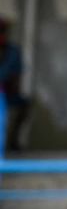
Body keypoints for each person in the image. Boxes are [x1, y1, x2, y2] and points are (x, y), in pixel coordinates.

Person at [0, 17, 29, 152]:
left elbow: (16, 77)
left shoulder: (13, 51)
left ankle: (13, 142)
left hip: (6, 92)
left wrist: (11, 89)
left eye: (3, 31)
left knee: (24, 104)